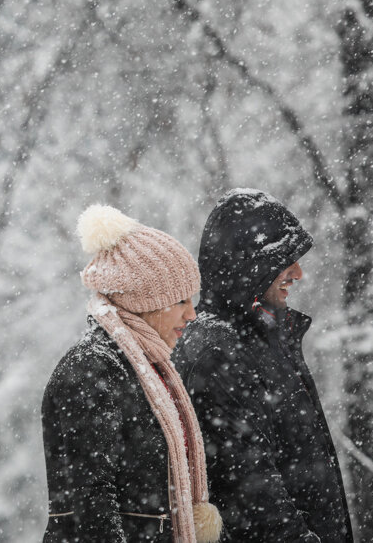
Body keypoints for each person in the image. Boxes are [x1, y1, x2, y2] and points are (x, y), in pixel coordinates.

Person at [172, 189, 353, 543]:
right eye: (286, 261)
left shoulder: (259, 339)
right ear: (250, 265)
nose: (298, 273)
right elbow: (254, 503)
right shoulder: (217, 355)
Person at [42, 204, 223, 543]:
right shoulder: (92, 368)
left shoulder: (149, 368)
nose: (192, 314)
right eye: (181, 301)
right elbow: (92, 497)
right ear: (145, 302)